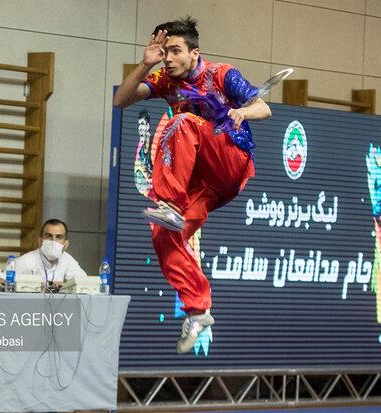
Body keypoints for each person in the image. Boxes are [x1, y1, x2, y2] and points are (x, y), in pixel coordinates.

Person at [113, 16, 272, 353]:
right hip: (202, 182)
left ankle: (169, 204)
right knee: (164, 236)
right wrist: (145, 64)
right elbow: (121, 100)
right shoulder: (165, 80)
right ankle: (198, 310)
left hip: (230, 159)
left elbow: (263, 107)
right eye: (163, 51)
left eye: (174, 51)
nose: (167, 58)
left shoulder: (221, 74)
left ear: (194, 52)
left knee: (183, 121)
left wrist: (243, 114)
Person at [15, 219, 87, 288]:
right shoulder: (26, 261)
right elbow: (5, 280)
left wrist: (64, 286)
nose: (53, 241)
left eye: (59, 237)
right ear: (40, 242)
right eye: (48, 236)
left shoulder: (67, 259)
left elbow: (84, 282)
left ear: (66, 244)